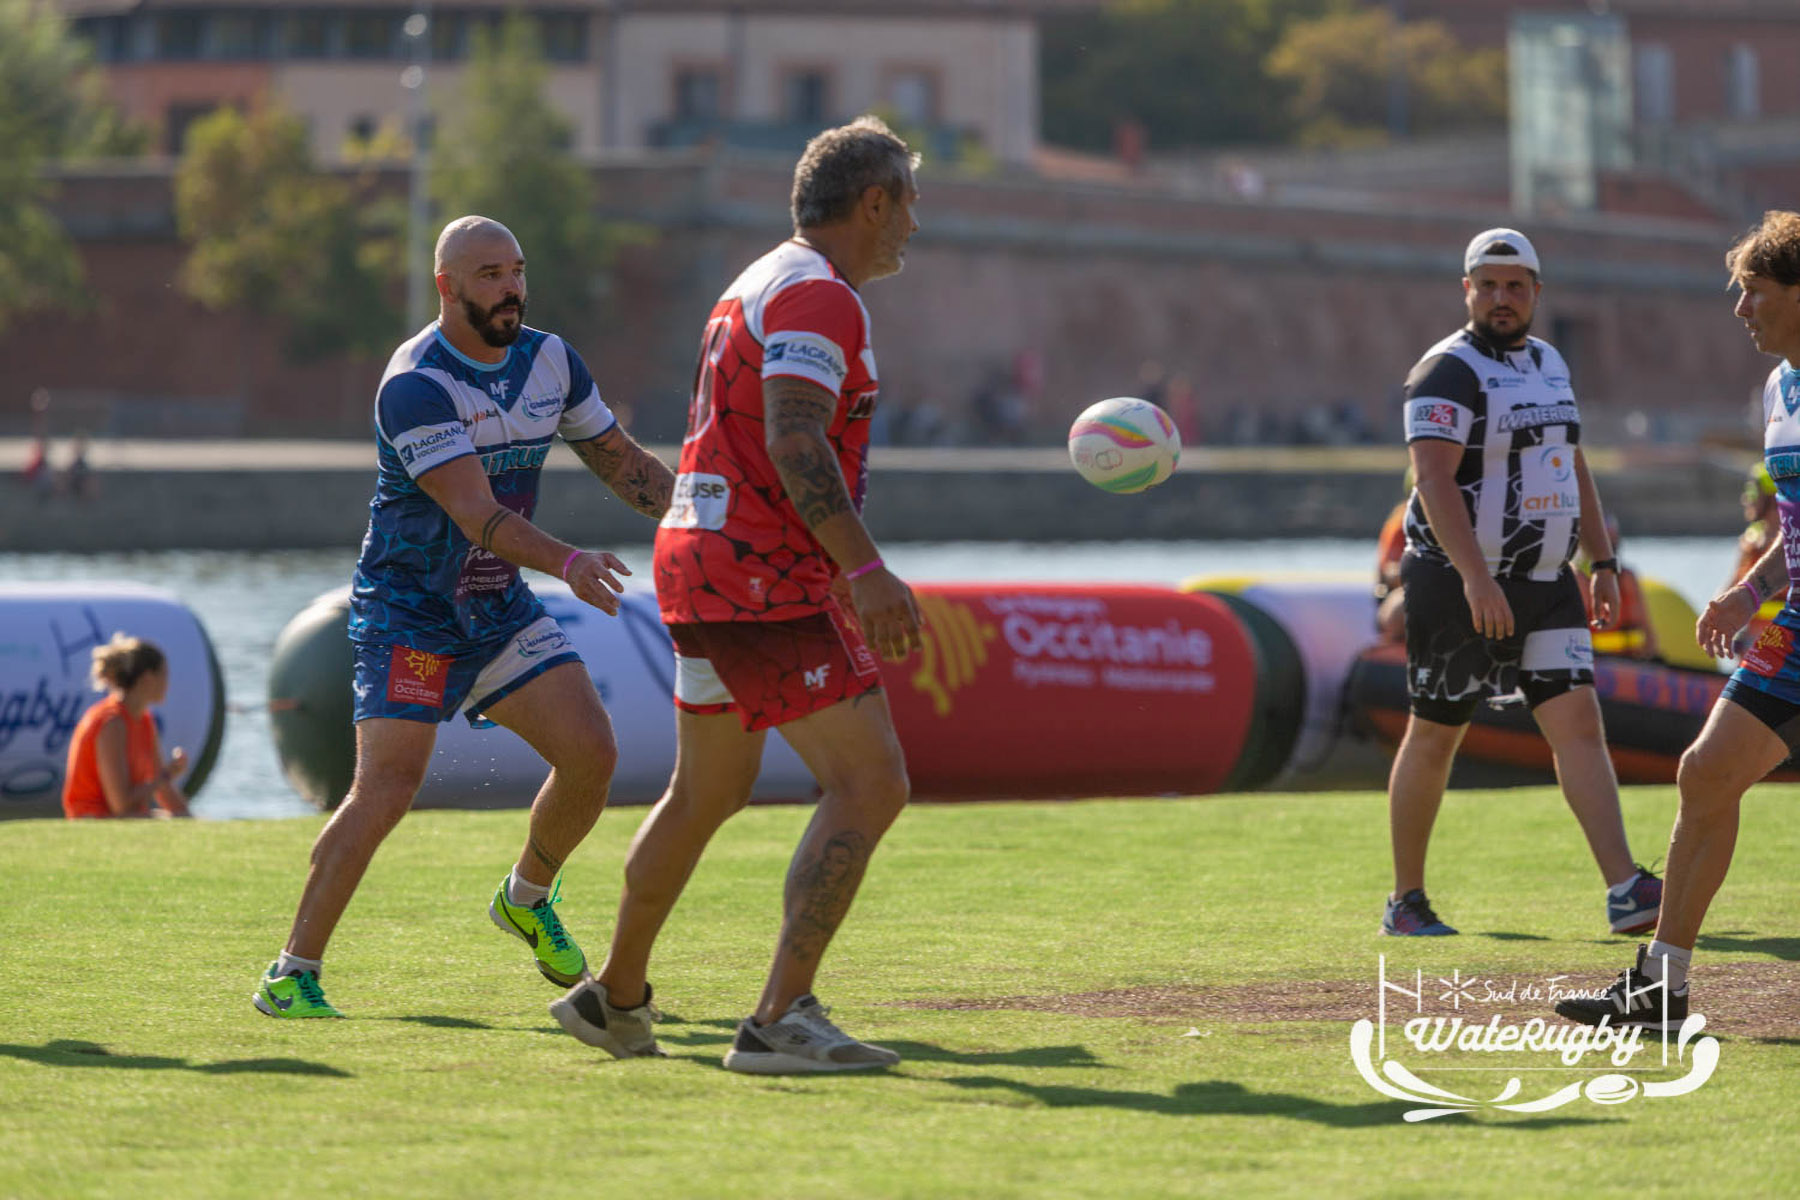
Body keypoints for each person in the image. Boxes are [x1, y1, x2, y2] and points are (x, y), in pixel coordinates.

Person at [550, 116, 924, 1072]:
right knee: (871, 781)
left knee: (708, 788)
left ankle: (615, 997)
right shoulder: (820, 297)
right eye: (907, 204)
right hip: (761, 573)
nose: (912, 226)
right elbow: (796, 442)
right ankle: (779, 1017)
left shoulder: (759, 277)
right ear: (872, 202)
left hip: (699, 557)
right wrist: (867, 568)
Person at [253, 215, 674, 1020]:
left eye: (516, 270)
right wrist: (572, 563)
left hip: (497, 607)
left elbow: (622, 465)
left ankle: (526, 896)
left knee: (592, 753)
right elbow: (478, 513)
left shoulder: (552, 359)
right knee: (386, 789)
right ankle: (290, 972)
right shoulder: (415, 383)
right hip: (410, 611)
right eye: (487, 274)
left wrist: (697, 522)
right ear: (446, 286)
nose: (509, 287)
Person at [1556, 211, 1800, 1030]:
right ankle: (1663, 988)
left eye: (1754, 292)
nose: (1740, 310)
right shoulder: (1778, 387)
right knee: (1705, 773)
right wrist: (1749, 593)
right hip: (1795, 623)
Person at [1382, 227, 1661, 938]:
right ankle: (1405, 901)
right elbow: (1434, 481)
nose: (1501, 298)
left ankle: (1625, 887)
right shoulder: (1444, 372)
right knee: (1436, 734)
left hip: (1546, 580)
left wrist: (1602, 562)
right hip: (1458, 582)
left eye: (1515, 286)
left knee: (1579, 728)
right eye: (1488, 284)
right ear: (1466, 289)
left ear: (1536, 292)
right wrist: (1476, 580)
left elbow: (1574, 464)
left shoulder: (1550, 363)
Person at [62, 634, 190, 819]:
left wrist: (188, 818)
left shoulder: (144, 719)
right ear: (148, 678)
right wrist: (165, 776)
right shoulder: (111, 723)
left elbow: (164, 791)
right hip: (93, 820)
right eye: (164, 675)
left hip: (125, 818)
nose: (168, 684)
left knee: (177, 820)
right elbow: (121, 804)